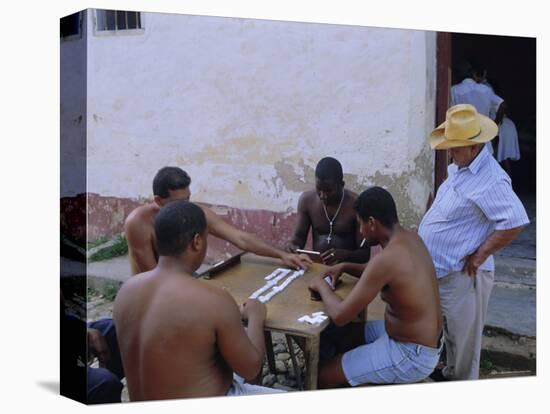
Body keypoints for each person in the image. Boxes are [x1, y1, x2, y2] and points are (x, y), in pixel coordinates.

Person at [114, 201, 283, 400]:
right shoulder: (213, 299)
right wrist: (256, 315)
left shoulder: (125, 292)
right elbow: (251, 369)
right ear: (197, 241)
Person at [419, 104, 529, 381]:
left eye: (455, 147)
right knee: (452, 334)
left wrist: (480, 255)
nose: (449, 151)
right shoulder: (461, 165)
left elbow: (515, 221)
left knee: (465, 341)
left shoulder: (491, 180)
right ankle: (450, 373)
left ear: (474, 147)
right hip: (444, 271)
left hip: (465, 275)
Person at [308, 187, 443, 388]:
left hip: (411, 354)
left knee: (321, 375)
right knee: (346, 335)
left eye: (360, 224)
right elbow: (375, 271)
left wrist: (321, 285)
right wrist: (344, 266)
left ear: (371, 223)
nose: (360, 231)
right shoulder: (411, 238)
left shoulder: (387, 260)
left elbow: (340, 315)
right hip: (425, 342)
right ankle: (353, 372)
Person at [125, 166, 311, 275]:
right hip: (150, 295)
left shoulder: (193, 213)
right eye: (178, 202)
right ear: (158, 200)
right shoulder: (138, 223)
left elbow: (241, 238)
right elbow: (153, 278)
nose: (185, 207)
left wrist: (283, 255)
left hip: (183, 282)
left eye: (188, 200)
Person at [286, 157, 370, 265]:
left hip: (347, 270)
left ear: (341, 185)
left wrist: (345, 255)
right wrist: (292, 246)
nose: (322, 195)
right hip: (317, 268)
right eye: (318, 189)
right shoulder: (307, 201)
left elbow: (364, 254)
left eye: (329, 191)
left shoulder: (356, 205)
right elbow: (298, 238)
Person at [451, 60, 506, 155]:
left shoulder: (454, 90)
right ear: (473, 74)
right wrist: (495, 124)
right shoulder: (486, 90)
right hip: (484, 141)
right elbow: (502, 105)